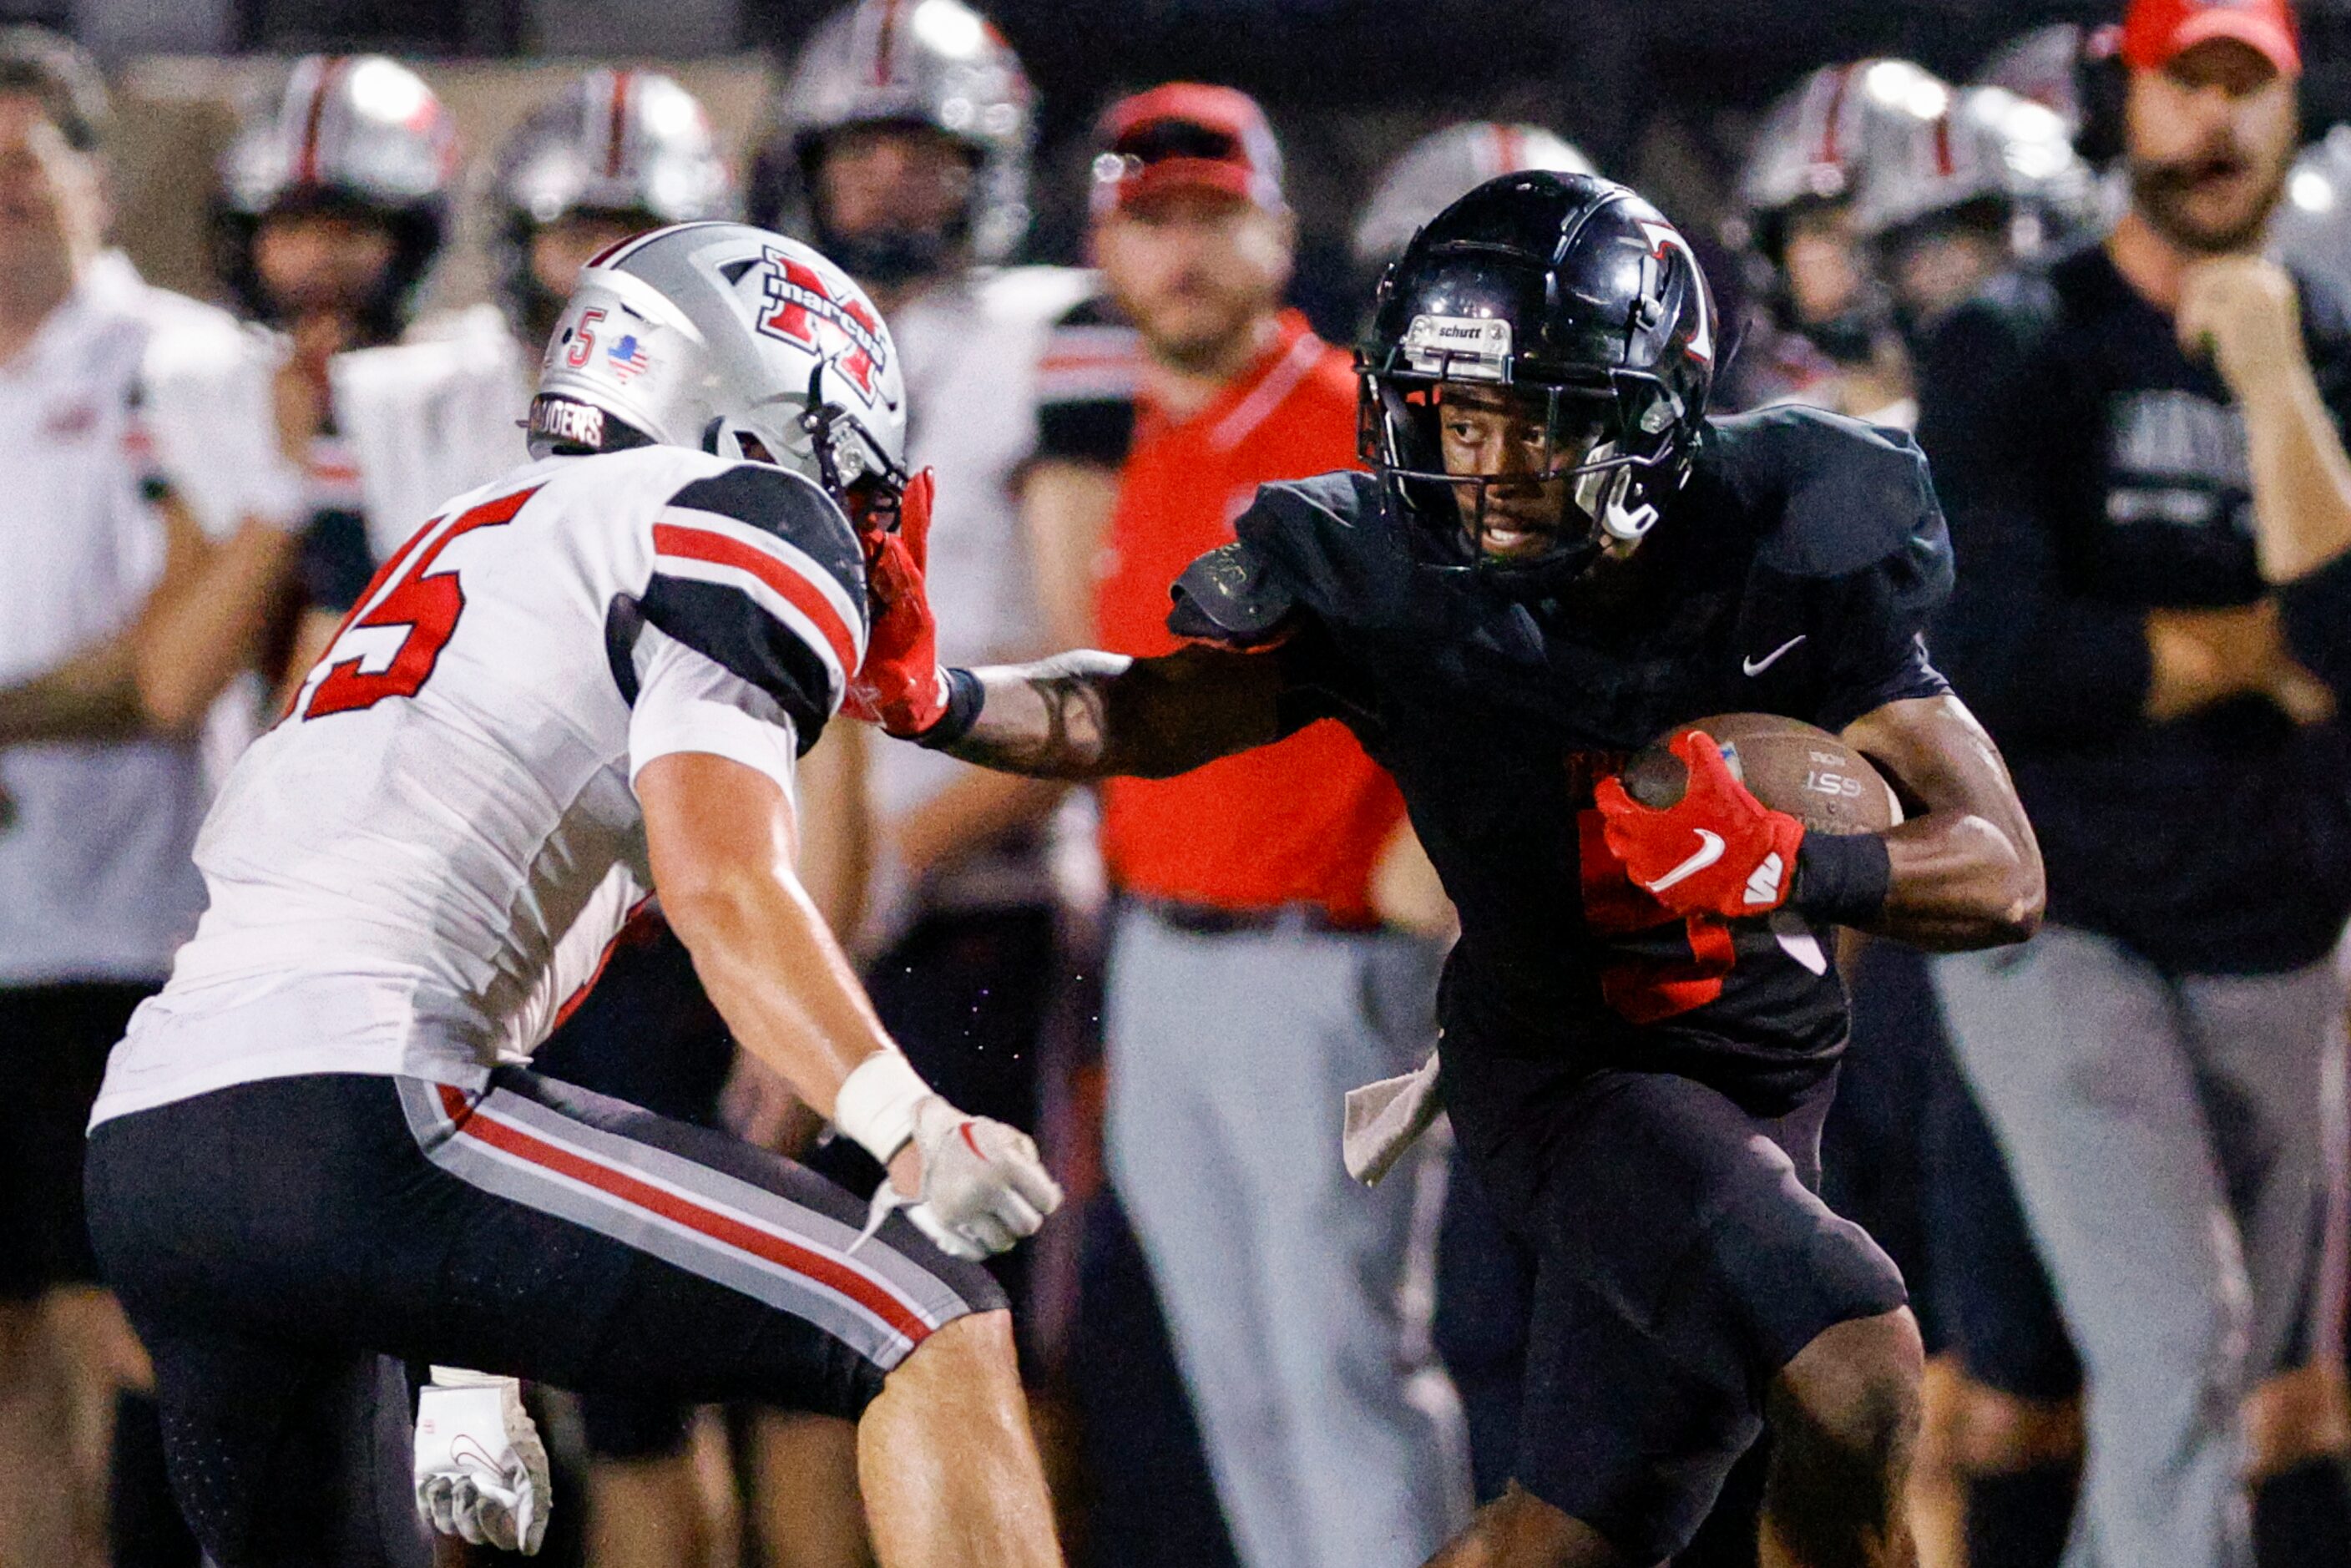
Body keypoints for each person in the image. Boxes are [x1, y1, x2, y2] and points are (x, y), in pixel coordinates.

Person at [856, 168, 2046, 1568]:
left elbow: (2002, 869)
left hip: (1768, 1080)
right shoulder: (1388, 567)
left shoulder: (1784, 530)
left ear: (1645, 409)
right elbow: (1149, 707)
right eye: (1456, 414)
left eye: (1528, 417)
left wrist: (1794, 860)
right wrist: (945, 700)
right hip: (1565, 1071)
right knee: (1856, 1357)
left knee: (1561, 1537)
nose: (1480, 462)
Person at [82, 221, 1065, 1568]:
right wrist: (907, 1124)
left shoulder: (458, 539)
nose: (863, 513)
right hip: (368, 1118)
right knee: (929, 1311)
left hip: (158, 1150)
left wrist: (475, 1369)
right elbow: (724, 879)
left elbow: (440, 952)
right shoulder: (732, 518)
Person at [1916, 0, 2351, 1562]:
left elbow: (2350, 636)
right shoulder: (2010, 339)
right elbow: (2002, 649)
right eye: (2190, 86)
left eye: (2252, 88)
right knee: (2183, 1346)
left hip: (2277, 929)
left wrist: (2275, 371)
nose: (2218, 126)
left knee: (2240, 1380)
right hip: (2062, 914)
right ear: (2125, 104)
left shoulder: (2332, 334)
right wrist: (2259, 641)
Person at [1019, 81, 1472, 1568]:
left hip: (1331, 959)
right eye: (1151, 223)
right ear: (1105, 246)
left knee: (1343, 1377)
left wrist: (1459, 840)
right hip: (1162, 957)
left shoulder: (1362, 418)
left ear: (1280, 228)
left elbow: (1497, 656)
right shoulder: (1117, 432)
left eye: (1214, 213)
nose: (1184, 252)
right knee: (1239, 1392)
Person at [0, 27, 300, 1568]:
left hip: (132, 932)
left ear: (94, 183)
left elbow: (177, 665)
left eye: (23, 169)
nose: (2, 204)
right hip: (13, 924)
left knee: (133, 1340)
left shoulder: (179, 359)